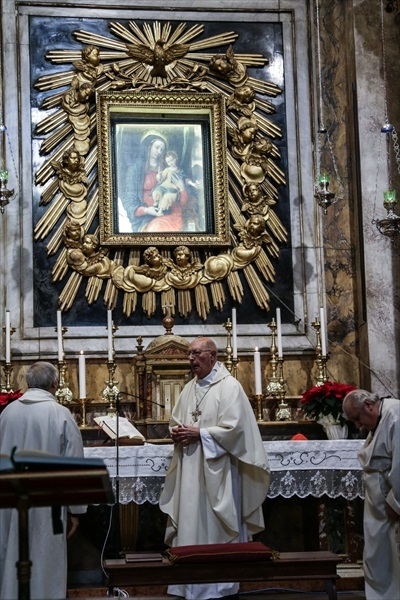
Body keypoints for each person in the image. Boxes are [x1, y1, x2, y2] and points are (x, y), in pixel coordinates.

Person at [159, 337, 270, 600]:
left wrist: (200, 434)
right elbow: (176, 421)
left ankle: (220, 587)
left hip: (220, 471)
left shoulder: (230, 387)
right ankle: (189, 585)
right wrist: (176, 432)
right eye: (189, 354)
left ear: (212, 355)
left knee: (216, 525)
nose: (191, 359)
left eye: (196, 353)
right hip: (190, 469)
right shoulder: (189, 388)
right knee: (190, 520)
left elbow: (236, 430)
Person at [0, 361, 87, 600]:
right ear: (55, 384)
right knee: (44, 559)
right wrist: (76, 510)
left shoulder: (7, 413)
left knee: (11, 553)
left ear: (27, 383)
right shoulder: (60, 414)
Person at [342, 389, 400, 600]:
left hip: (389, 501)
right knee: (377, 555)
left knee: (391, 554)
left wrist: (396, 502)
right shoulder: (379, 419)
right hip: (377, 503)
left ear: (368, 405)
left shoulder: (395, 415)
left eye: (357, 418)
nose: (358, 426)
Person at [119, 133, 188, 233]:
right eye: (157, 147)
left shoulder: (168, 169)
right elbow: (129, 201)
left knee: (159, 228)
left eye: (162, 150)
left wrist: (182, 188)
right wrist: (146, 210)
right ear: (149, 146)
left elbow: (181, 199)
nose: (159, 152)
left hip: (169, 212)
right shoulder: (135, 169)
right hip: (145, 216)